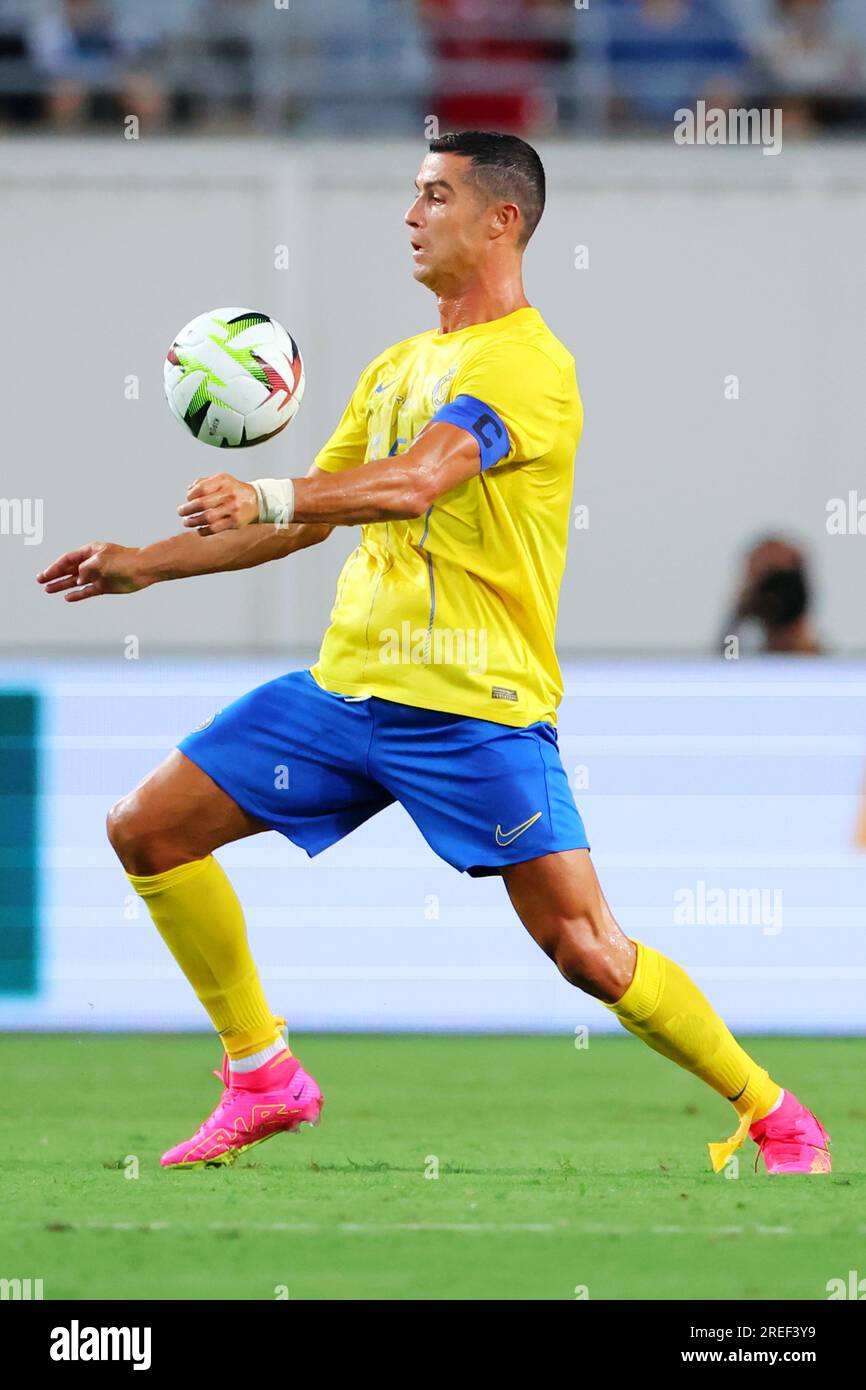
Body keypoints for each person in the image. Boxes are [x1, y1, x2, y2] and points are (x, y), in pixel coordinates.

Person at [38, 131, 829, 1176]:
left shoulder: (529, 365)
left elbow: (414, 482)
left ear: (501, 219)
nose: (409, 216)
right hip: (344, 692)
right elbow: (307, 522)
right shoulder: (398, 364)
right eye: (411, 195)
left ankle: (775, 1114)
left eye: (432, 196)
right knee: (146, 829)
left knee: (587, 952)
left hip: (472, 708)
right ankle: (263, 1073)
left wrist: (270, 487)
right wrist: (151, 562)